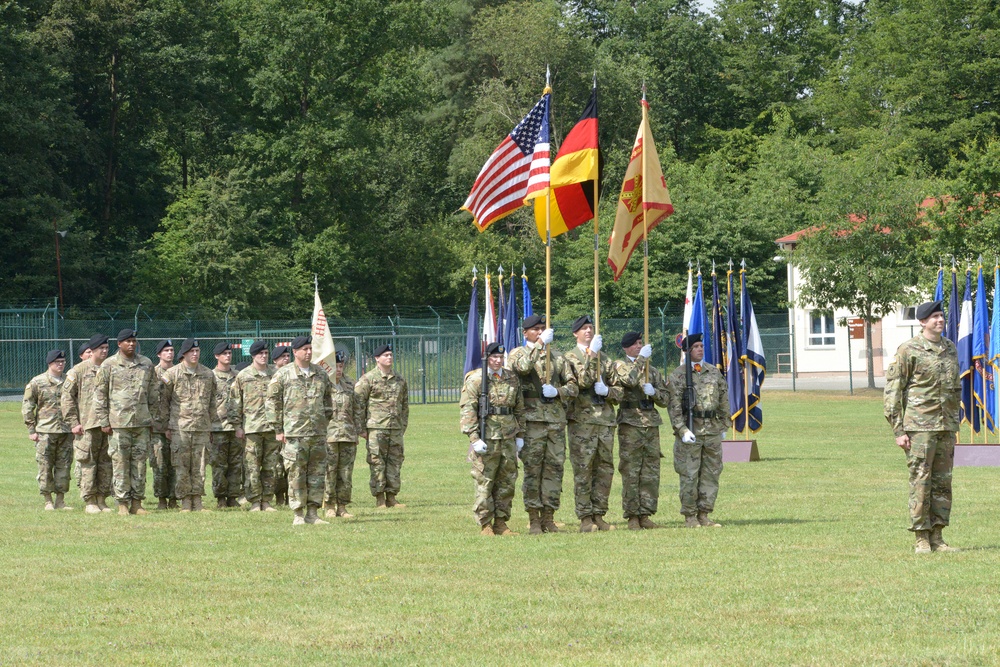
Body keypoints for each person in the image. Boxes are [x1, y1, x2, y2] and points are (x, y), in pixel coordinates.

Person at [884, 299, 961, 554]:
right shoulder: (909, 350)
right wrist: (898, 430)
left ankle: (937, 536)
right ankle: (921, 538)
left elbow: (954, 388)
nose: (940, 320)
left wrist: (953, 425)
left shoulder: (950, 348)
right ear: (923, 322)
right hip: (919, 427)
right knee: (921, 480)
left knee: (942, 483)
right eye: (935, 317)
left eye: (942, 316)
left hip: (945, 427)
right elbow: (893, 391)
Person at [506, 314, 578, 534]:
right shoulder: (518, 353)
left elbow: (573, 386)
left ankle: (549, 516)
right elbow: (522, 368)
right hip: (531, 421)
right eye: (535, 329)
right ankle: (533, 518)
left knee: (554, 470)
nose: (539, 332)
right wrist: (538, 345)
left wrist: (558, 391)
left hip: (555, 421)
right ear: (525, 332)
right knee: (533, 470)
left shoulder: (556, 357)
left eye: (542, 328)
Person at [266, 335, 334, 525]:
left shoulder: (320, 373)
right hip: (294, 434)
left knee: (317, 474)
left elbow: (328, 400)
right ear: (295, 352)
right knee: (296, 474)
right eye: (304, 349)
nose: (308, 352)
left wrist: (323, 421)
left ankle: (313, 513)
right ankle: (298, 513)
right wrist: (278, 429)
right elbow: (272, 402)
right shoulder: (283, 374)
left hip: (317, 433)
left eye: (310, 348)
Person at [459, 342, 525, 536]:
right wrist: (473, 437)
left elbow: (519, 408)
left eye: (500, 358)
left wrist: (520, 434)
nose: (498, 361)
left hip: (508, 436)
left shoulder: (511, 377)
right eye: (494, 357)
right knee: (485, 480)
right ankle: (485, 523)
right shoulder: (477, 379)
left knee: (507, 481)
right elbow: (468, 409)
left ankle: (501, 522)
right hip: (487, 437)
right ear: (486, 358)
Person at [94, 329, 160, 516]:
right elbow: (100, 395)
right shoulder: (108, 365)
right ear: (119, 344)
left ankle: (137, 502)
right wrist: (104, 420)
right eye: (128, 341)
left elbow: (154, 392)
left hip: (141, 423)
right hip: (118, 424)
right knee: (120, 463)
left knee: (139, 464)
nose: (131, 344)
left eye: (134, 341)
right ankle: (122, 502)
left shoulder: (146, 364)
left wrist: (151, 417)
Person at [666, 333, 729, 528]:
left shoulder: (713, 372)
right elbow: (674, 406)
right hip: (691, 430)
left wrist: (724, 424)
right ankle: (690, 516)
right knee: (690, 474)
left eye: (702, 346)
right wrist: (682, 429)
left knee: (711, 473)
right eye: (696, 347)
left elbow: (724, 399)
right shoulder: (678, 375)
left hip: (712, 430)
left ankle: (705, 514)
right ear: (687, 350)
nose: (700, 349)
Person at [611, 332, 668, 530]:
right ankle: (632, 515)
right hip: (631, 423)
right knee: (631, 470)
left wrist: (655, 393)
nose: (638, 346)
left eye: (640, 343)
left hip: (650, 423)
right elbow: (628, 380)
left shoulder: (651, 371)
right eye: (635, 344)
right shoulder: (620, 365)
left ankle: (646, 513)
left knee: (650, 472)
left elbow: (665, 399)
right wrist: (641, 359)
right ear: (626, 347)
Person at [161, 338, 225, 512]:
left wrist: (211, 424)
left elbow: (212, 401)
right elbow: (164, 402)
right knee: (181, 465)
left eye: (197, 351)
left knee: (200, 465)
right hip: (179, 427)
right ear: (184, 354)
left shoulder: (207, 374)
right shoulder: (172, 374)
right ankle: (185, 502)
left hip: (201, 427)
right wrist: (167, 425)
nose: (195, 354)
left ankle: (197, 500)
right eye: (191, 352)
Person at [62, 334, 113, 513]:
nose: (105, 351)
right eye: (102, 349)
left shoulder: (110, 368)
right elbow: (67, 398)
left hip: (108, 424)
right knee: (88, 462)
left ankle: (102, 498)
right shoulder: (78, 370)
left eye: (107, 348)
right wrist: (73, 422)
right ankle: (90, 500)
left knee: (106, 462)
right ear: (92, 351)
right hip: (87, 425)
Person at [355, 343, 409, 509]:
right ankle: (379, 498)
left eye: (391, 354)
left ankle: (392, 496)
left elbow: (404, 404)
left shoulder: (399, 379)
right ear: (377, 358)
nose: (389, 357)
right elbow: (358, 404)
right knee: (377, 462)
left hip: (395, 428)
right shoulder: (368, 379)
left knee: (395, 462)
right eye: (386, 355)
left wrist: (403, 425)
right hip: (376, 428)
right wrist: (361, 428)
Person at [230, 340, 279, 512]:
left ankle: (266, 500)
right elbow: (235, 402)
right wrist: (237, 426)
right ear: (253, 356)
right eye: (260, 354)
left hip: (272, 427)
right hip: (252, 428)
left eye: (266, 353)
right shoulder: (243, 376)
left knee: (270, 466)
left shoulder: (276, 373)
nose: (264, 356)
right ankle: (255, 501)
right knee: (252, 466)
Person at [22, 350, 73, 510]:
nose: (60, 364)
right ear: (49, 363)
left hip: (66, 431)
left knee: (64, 466)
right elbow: (28, 406)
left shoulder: (69, 381)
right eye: (57, 361)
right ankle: (47, 500)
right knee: (45, 466)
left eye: (63, 361)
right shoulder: (38, 382)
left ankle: (60, 500)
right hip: (45, 431)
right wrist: (32, 429)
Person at [323, 350, 365, 518]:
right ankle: (329, 505)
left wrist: (357, 431)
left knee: (346, 473)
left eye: (341, 366)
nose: (338, 370)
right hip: (329, 435)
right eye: (335, 366)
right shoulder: (324, 383)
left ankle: (342, 506)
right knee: (329, 472)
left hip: (347, 434)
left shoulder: (349, 383)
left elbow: (357, 409)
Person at [210, 342, 242, 508]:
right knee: (219, 465)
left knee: (236, 464)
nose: (227, 356)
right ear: (217, 356)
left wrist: (240, 425)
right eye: (224, 354)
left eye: (229, 353)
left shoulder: (238, 376)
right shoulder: (210, 376)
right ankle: (221, 497)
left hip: (235, 427)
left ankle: (233, 496)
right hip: (217, 427)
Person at [150, 340, 178, 509]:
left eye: (172, 350)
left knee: (175, 464)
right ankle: (161, 499)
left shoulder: (178, 372)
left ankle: (174, 499)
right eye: (166, 350)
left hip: (176, 425)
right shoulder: (152, 373)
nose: (170, 353)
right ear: (159, 354)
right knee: (159, 465)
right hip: (157, 427)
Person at [270, 345, 291, 505]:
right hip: (273, 427)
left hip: (291, 425)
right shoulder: (271, 377)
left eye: (288, 356)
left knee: (290, 464)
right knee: (276, 465)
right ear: (275, 360)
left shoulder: (292, 375)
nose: (286, 359)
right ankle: (278, 496)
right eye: (283, 357)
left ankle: (291, 495)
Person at [71, 343, 93, 492]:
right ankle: (82, 486)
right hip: (81, 423)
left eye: (93, 352)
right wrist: (74, 421)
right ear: (81, 356)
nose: (91, 355)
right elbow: (69, 399)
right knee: (83, 457)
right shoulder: (76, 373)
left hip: (96, 422)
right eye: (88, 352)